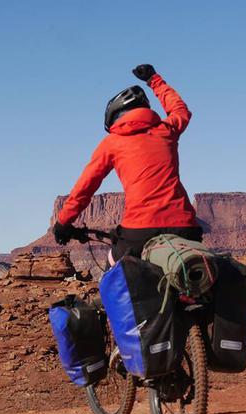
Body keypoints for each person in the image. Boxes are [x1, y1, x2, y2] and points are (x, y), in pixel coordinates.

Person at [53, 64, 202, 264]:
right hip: (184, 227)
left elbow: (85, 187)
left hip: (139, 229)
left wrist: (63, 221)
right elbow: (180, 109)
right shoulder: (166, 130)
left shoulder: (112, 142)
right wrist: (154, 80)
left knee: (114, 267)